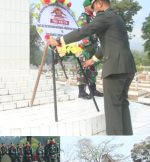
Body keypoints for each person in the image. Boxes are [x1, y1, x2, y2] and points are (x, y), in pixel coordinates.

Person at [48, 0, 136, 135]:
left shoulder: (104, 16)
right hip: (127, 67)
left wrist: (60, 40)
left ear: (100, 3)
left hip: (115, 69)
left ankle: (116, 136)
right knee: (122, 104)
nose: (93, 8)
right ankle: (126, 134)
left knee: (113, 109)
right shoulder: (116, 17)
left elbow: (84, 30)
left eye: (93, 5)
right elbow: (110, 43)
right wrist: (93, 59)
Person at [77, 0, 103, 99]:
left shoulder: (94, 17)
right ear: (86, 6)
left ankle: (93, 89)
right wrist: (88, 43)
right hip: (85, 47)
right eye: (90, 5)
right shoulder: (83, 17)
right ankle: (82, 92)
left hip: (94, 46)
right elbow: (82, 31)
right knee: (82, 68)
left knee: (93, 67)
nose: (93, 6)